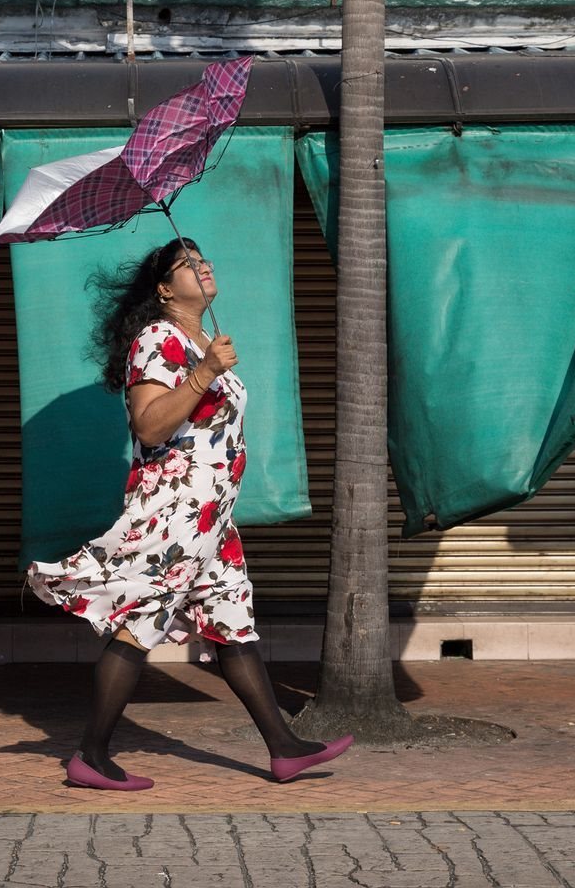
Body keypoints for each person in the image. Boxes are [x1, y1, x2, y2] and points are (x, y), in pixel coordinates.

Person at [26, 237, 353, 791]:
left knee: (232, 622)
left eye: (205, 259)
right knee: (140, 624)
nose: (204, 267)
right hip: (176, 511)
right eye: (189, 264)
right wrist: (203, 373)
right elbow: (150, 426)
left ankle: (284, 748)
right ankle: (91, 756)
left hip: (212, 517)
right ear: (162, 288)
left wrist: (208, 363)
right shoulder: (157, 338)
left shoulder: (200, 339)